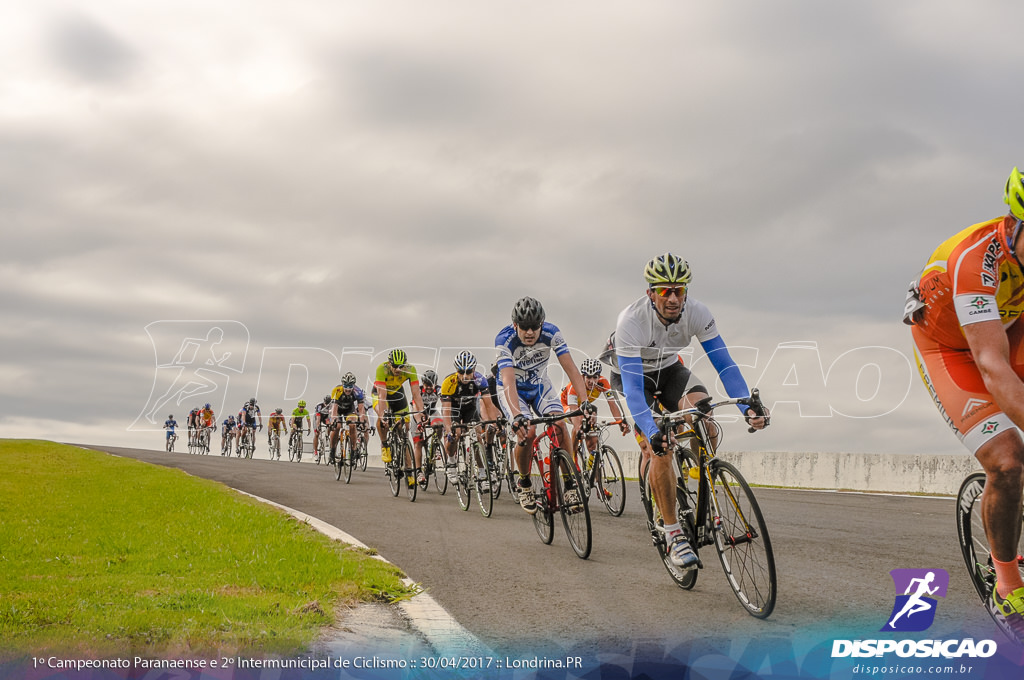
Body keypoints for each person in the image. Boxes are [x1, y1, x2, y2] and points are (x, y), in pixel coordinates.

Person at [906, 167, 1024, 631]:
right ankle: (1008, 582)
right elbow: (993, 368)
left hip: (1010, 325)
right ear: (1015, 224)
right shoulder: (975, 260)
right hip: (950, 348)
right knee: (1009, 460)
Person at [610, 253, 768, 569]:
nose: (671, 297)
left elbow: (724, 363)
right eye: (664, 290)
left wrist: (747, 407)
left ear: (685, 292)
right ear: (650, 293)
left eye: (678, 290)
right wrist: (653, 434)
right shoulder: (631, 321)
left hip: (669, 370)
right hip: (634, 378)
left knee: (705, 421)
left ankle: (702, 474)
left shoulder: (697, 312)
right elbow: (632, 391)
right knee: (662, 450)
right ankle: (672, 532)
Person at [495, 297, 593, 514]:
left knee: (559, 424)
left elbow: (572, 369)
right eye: (524, 327)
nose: (529, 332)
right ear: (515, 325)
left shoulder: (552, 333)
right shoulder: (504, 339)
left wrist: (585, 402)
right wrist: (517, 415)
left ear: (542, 324)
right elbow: (509, 381)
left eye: (534, 327)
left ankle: (569, 483)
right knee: (528, 432)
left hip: (540, 386)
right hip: (513, 391)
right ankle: (524, 482)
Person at [373, 349, 425, 486]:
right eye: (394, 366)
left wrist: (421, 414)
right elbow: (382, 396)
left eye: (400, 366)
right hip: (381, 394)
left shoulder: (410, 369)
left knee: (404, 432)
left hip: (397, 394)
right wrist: (384, 416)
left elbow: (416, 396)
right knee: (381, 415)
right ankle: (385, 445)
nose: (397, 369)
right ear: (389, 363)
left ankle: (409, 472)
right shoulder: (381, 369)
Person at [560, 358, 631, 458]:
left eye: (594, 377)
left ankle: (593, 465)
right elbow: (573, 410)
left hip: (585, 407)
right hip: (566, 406)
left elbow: (612, 404)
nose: (591, 381)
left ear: (599, 376)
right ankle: (573, 457)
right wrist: (578, 429)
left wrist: (620, 422)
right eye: (588, 377)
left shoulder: (603, 383)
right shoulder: (575, 385)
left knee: (593, 440)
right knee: (579, 421)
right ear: (583, 376)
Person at [440, 351, 490, 489]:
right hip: (454, 409)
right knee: (455, 433)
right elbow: (446, 411)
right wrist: (449, 430)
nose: (465, 376)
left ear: (474, 369)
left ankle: (481, 472)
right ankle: (450, 462)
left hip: (470, 408)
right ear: (457, 370)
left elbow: (488, 404)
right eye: (461, 372)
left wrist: (492, 422)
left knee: (477, 436)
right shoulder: (448, 383)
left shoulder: (480, 380)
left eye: (469, 372)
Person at [329, 372, 368, 465]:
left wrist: (362, 422)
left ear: (353, 385)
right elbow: (334, 408)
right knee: (337, 427)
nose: (348, 388)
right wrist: (334, 420)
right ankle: (332, 451)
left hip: (349, 410)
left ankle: (354, 450)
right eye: (346, 385)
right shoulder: (336, 390)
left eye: (350, 386)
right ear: (342, 384)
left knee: (352, 424)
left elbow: (361, 409)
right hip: (338, 409)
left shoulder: (358, 392)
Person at [416, 369, 444, 486]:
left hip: (432, 412)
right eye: (427, 385)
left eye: (431, 385)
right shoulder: (418, 390)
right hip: (418, 412)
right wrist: (419, 421)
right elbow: (414, 407)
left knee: (439, 425)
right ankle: (418, 472)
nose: (428, 388)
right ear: (423, 383)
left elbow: (445, 403)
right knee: (418, 442)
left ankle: (436, 446)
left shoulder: (438, 389)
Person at [313, 395, 331, 460]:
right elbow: (318, 418)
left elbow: (331, 416)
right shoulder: (320, 406)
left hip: (325, 417)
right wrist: (318, 426)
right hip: (318, 417)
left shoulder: (331, 406)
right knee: (317, 434)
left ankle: (326, 436)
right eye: (326, 403)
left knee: (330, 424)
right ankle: (315, 453)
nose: (327, 405)